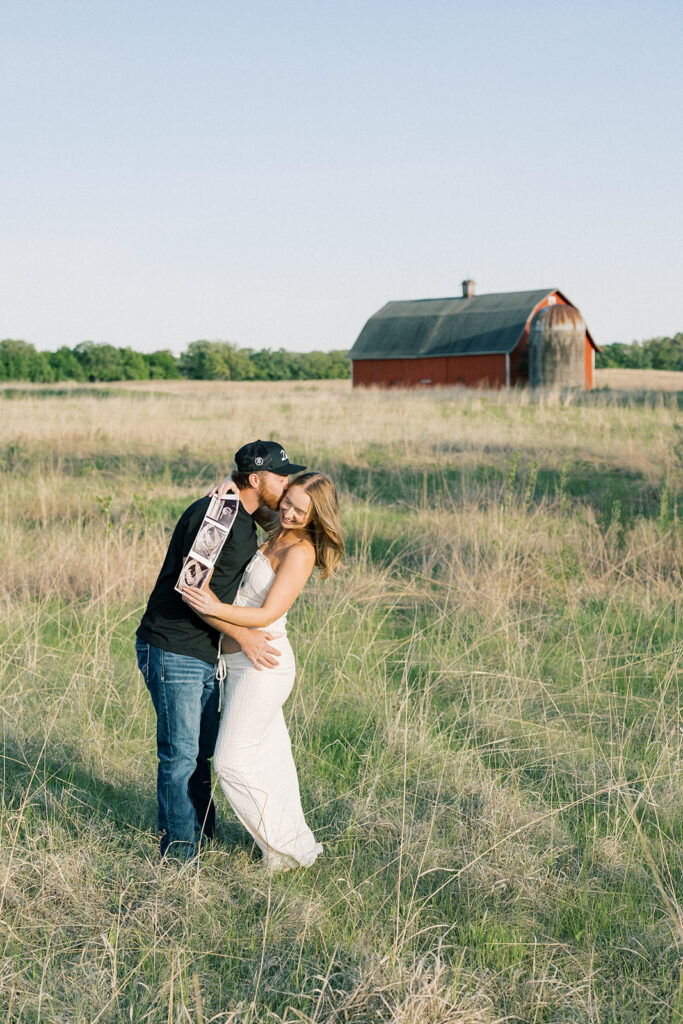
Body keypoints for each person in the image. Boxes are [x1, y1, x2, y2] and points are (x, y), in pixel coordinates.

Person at [135, 440, 306, 861]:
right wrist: (244, 636)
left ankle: (201, 836)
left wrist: (228, 488)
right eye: (280, 477)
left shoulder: (244, 513)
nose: (286, 486)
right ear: (255, 479)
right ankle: (179, 853)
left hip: (204, 651)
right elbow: (191, 586)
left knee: (200, 754)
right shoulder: (219, 516)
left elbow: (283, 523)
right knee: (180, 756)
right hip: (174, 647)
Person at [182, 471, 343, 870]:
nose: (287, 512)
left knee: (231, 761)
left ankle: (291, 850)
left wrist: (212, 607)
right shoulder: (277, 526)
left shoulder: (300, 551)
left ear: (316, 516)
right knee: (271, 760)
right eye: (287, 501)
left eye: (300, 511)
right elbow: (255, 498)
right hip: (235, 663)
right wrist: (229, 486)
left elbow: (269, 612)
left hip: (264, 664)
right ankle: (286, 847)